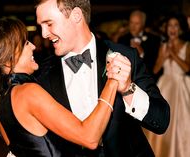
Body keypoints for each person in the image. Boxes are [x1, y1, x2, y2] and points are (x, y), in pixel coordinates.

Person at [0, 17, 119, 157]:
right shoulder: (28, 93)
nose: (33, 46)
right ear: (8, 60)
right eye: (24, 43)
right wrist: (112, 81)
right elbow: (89, 138)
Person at [35, 0, 170, 157]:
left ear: (76, 16)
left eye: (49, 24)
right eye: (41, 26)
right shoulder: (42, 74)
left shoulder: (126, 56)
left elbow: (161, 121)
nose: (43, 33)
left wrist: (128, 89)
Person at [145, 13, 190, 157]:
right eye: (170, 25)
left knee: (183, 121)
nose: (172, 29)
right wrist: (163, 56)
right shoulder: (163, 46)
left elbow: (187, 68)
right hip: (165, 85)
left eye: (176, 25)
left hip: (181, 86)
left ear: (180, 29)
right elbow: (156, 69)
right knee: (163, 119)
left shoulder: (187, 45)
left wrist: (174, 55)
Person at [118, 10, 161, 82]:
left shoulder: (153, 40)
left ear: (143, 24)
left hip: (146, 81)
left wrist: (142, 53)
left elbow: (154, 66)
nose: (133, 26)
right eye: (131, 22)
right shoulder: (122, 39)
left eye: (137, 23)